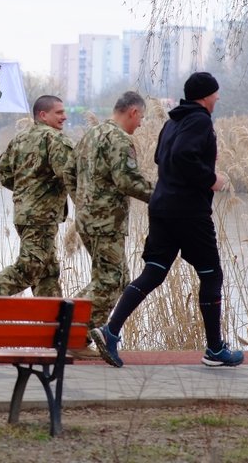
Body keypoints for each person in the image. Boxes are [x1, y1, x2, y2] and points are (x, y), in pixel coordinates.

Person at [91, 72, 244, 368]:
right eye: (216, 93)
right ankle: (215, 350)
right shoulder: (200, 120)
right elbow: (183, 156)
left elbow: (162, 158)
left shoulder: (172, 122)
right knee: (212, 275)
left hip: (162, 206)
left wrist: (198, 165)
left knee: (154, 271)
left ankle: (110, 331)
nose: (218, 97)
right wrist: (211, 178)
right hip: (189, 212)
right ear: (205, 96)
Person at [72, 91, 153, 351]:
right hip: (106, 222)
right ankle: (72, 335)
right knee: (110, 280)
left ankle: (76, 331)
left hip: (87, 219)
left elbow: (69, 172)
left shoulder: (91, 135)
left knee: (116, 279)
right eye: (141, 117)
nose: (140, 123)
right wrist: (162, 197)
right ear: (132, 112)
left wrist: (82, 202)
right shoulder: (120, 139)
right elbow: (127, 181)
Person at [0, 95, 76, 297]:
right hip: (42, 217)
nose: (64, 117)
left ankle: (53, 316)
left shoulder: (19, 139)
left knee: (47, 273)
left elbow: (5, 174)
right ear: (43, 115)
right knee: (29, 268)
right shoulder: (56, 139)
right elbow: (70, 174)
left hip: (23, 214)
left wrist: (28, 191)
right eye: (59, 112)